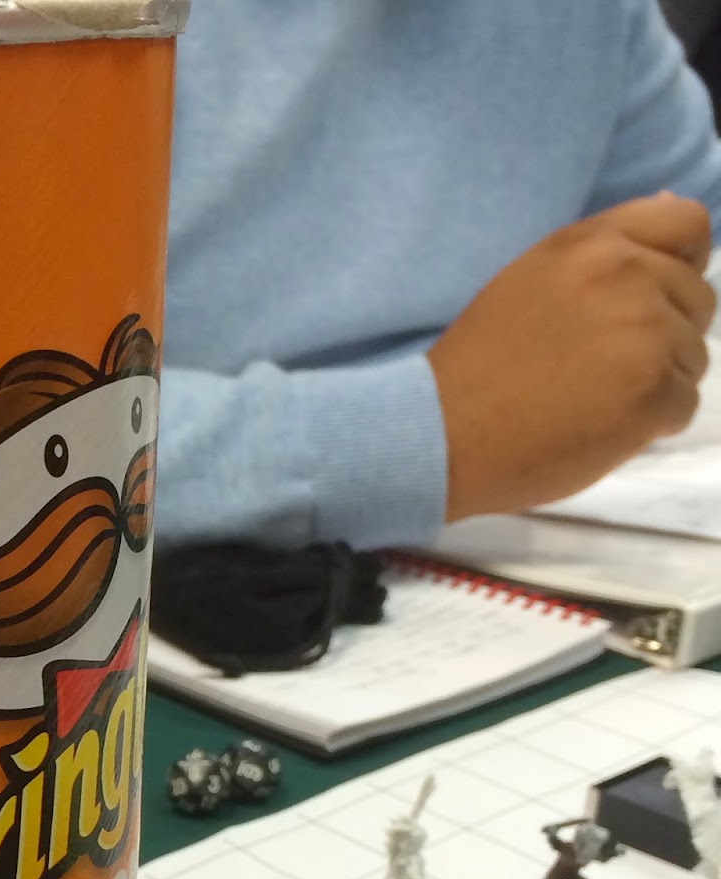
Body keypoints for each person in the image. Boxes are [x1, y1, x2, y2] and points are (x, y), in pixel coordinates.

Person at [156, 0, 721, 551]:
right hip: (192, 585)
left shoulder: (589, 18)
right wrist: (437, 436)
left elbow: (696, 263)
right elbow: (94, 438)